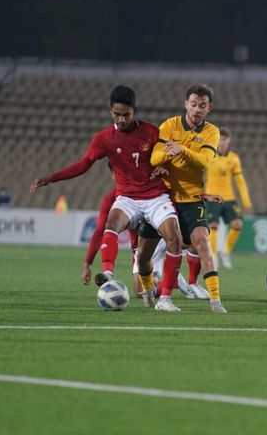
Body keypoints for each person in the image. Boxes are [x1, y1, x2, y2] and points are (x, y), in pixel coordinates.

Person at [30, 85, 184, 308]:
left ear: (135, 110)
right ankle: (108, 273)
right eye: (117, 114)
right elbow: (83, 165)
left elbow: (168, 158)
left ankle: (167, 297)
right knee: (111, 224)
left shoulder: (152, 132)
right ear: (110, 110)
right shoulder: (104, 138)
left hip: (155, 196)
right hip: (128, 198)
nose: (121, 119)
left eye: (126, 115)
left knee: (174, 239)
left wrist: (165, 167)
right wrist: (51, 178)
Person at [149, 84, 226, 313]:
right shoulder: (170, 125)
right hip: (164, 199)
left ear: (209, 108)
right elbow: (154, 158)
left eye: (202, 105)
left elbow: (205, 162)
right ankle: (153, 285)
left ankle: (215, 300)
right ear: (186, 104)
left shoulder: (212, 131)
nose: (197, 109)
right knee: (150, 253)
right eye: (193, 104)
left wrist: (180, 149)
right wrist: (166, 154)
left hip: (192, 199)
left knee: (202, 243)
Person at [205, 128, 252, 269]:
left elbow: (240, 181)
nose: (222, 142)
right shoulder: (209, 156)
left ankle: (225, 251)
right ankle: (213, 255)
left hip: (229, 197)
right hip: (212, 196)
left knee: (237, 224)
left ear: (229, 141)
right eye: (220, 139)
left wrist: (246, 201)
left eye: (225, 139)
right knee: (213, 225)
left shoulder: (234, 158)